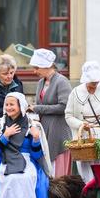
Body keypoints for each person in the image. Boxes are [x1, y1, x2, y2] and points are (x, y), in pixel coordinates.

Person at [29, 48, 72, 177]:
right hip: (44, 130)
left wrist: (37, 108)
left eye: (37, 68)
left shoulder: (62, 81)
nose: (34, 71)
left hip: (58, 132)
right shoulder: (41, 82)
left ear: (46, 66)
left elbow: (64, 107)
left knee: (57, 172)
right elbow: (40, 104)